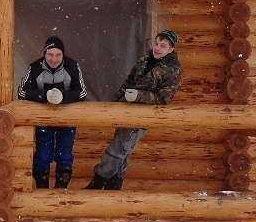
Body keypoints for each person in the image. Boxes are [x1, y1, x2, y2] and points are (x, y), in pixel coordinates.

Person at [87, 30, 182, 190]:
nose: (157, 48)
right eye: (157, 43)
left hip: (143, 116)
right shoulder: (145, 60)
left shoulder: (173, 70)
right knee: (123, 150)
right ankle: (114, 186)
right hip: (126, 109)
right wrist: (115, 103)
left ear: (171, 49)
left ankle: (99, 181)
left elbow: (163, 98)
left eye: (163, 46)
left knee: (117, 149)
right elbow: (128, 82)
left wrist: (139, 96)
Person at [18, 35, 89, 188]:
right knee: (43, 155)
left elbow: (82, 93)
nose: (54, 59)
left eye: (58, 55)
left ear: (63, 55)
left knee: (65, 156)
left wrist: (63, 96)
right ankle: (42, 191)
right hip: (43, 120)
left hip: (67, 120)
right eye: (50, 54)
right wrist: (44, 96)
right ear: (44, 53)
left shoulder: (72, 66)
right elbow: (21, 93)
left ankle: (60, 191)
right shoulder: (35, 67)